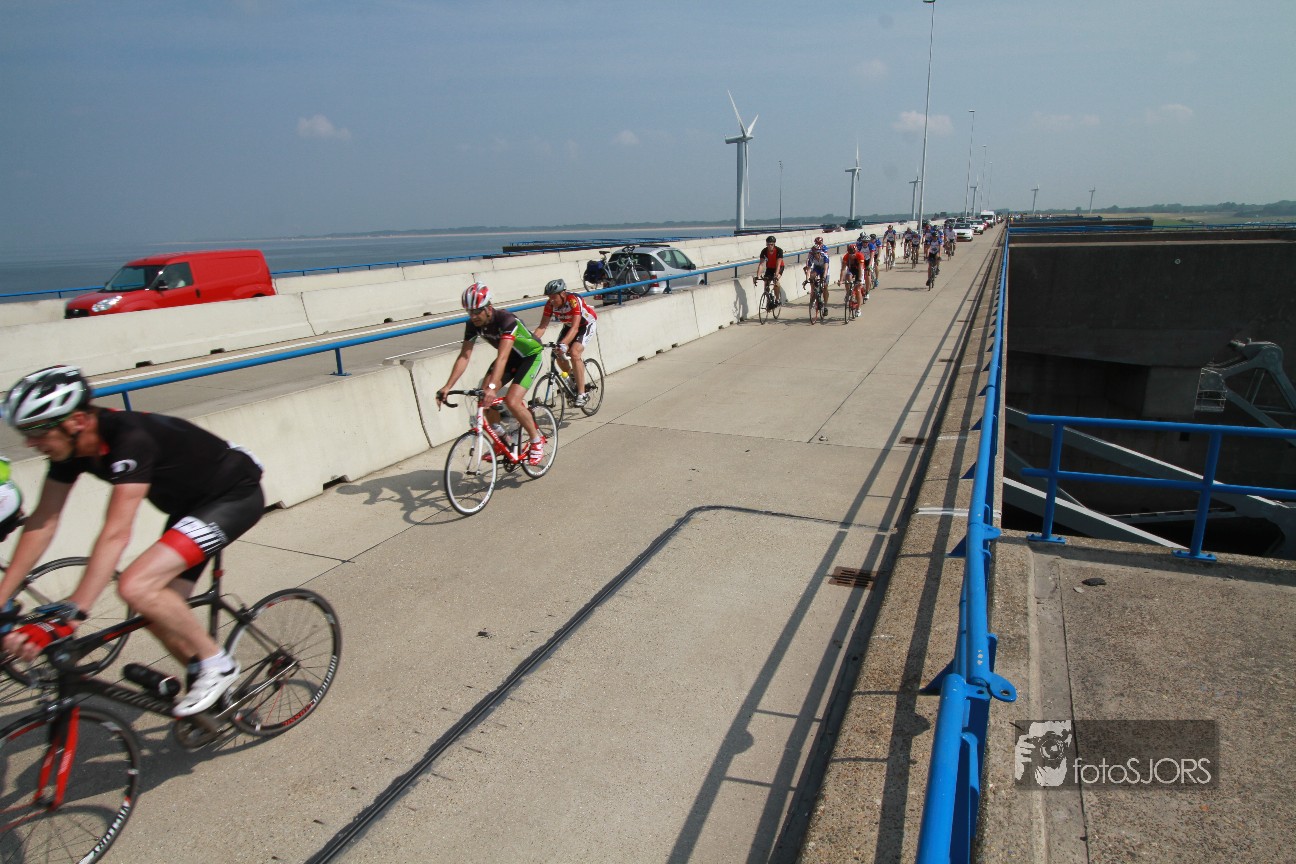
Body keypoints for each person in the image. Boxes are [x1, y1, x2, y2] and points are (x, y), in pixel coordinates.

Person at [0, 365, 264, 717]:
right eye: (25, 433)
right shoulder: (69, 449)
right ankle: (206, 678)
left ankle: (219, 664)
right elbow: (43, 522)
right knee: (153, 609)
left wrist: (76, 610)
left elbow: (116, 533)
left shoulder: (129, 439)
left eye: (37, 432)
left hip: (233, 496)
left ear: (76, 421)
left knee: (136, 585)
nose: (30, 443)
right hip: (188, 508)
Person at [436, 282, 548, 465]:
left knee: (512, 400)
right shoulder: (472, 325)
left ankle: (536, 441)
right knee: (483, 398)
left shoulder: (506, 320)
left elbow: (502, 357)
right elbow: (464, 356)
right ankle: (502, 440)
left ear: (488, 308)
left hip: (529, 357)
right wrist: (447, 387)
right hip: (510, 358)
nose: (473, 316)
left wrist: (493, 387)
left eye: (477, 311)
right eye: (469, 312)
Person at [533, 278, 598, 408]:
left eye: (554, 297)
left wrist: (563, 344)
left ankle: (582, 394)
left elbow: (575, 327)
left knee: (574, 353)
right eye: (549, 297)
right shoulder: (550, 305)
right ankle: (572, 375)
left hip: (585, 325)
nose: (551, 300)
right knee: (557, 353)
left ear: (563, 294)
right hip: (569, 326)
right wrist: (531, 341)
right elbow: (542, 327)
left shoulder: (573, 300)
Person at [753, 236, 785, 307]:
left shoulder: (779, 251)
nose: (770, 246)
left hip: (779, 267)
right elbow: (761, 265)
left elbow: (778, 265)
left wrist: (776, 276)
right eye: (768, 244)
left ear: (774, 244)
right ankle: (768, 301)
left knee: (776, 282)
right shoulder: (764, 251)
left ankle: (777, 299)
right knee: (766, 282)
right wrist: (758, 276)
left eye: (771, 244)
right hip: (770, 268)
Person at [802, 237, 831, 307]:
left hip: (824, 268)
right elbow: (808, 270)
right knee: (812, 276)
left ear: (819, 252)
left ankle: (825, 305)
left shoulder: (825, 256)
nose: (815, 255)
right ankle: (815, 291)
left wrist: (823, 278)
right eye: (814, 253)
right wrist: (807, 279)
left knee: (825, 286)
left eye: (817, 253)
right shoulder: (811, 256)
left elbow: (826, 269)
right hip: (817, 267)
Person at [838, 242, 866, 309]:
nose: (852, 256)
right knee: (847, 278)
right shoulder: (846, 257)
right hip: (851, 269)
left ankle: (858, 309)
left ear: (856, 252)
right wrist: (841, 280)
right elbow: (843, 269)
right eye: (850, 254)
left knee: (858, 289)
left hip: (859, 270)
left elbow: (860, 269)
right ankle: (849, 292)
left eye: (853, 254)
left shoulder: (860, 255)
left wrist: (859, 280)